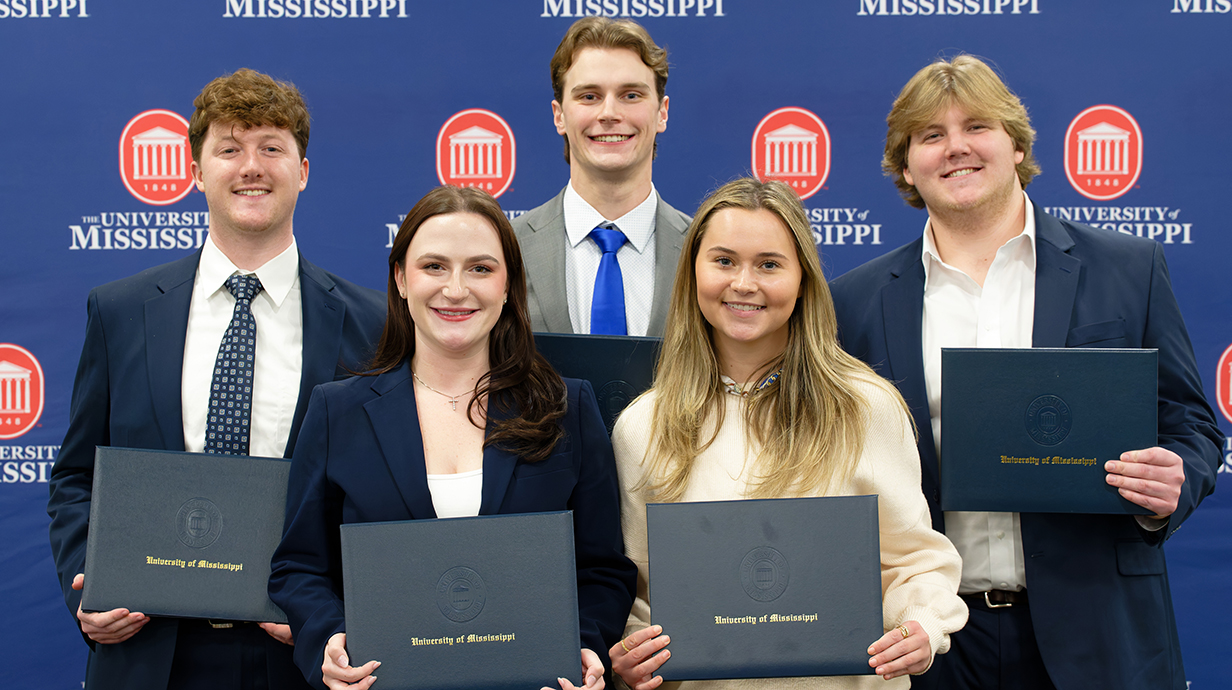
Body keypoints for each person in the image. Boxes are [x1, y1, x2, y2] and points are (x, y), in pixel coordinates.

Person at [828, 56, 1224, 690]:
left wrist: (1175, 480)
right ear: (906, 166)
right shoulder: (853, 301)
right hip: (931, 642)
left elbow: (1192, 424)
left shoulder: (1129, 268)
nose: (956, 147)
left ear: (1016, 144)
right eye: (930, 135)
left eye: (977, 126)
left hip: (1099, 631)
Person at [46, 69, 386, 690]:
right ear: (197, 171)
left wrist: (341, 609)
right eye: (229, 149)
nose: (251, 166)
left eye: (272, 148)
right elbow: (75, 476)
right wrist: (89, 585)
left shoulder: (374, 324)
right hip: (151, 654)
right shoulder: (121, 312)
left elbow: (391, 495)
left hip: (306, 658)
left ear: (303, 171)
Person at [268, 185, 638, 690]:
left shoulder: (566, 408)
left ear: (509, 285)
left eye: (481, 269)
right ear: (401, 278)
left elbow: (603, 570)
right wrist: (327, 640)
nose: (457, 289)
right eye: (434, 267)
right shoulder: (338, 411)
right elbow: (299, 567)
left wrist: (588, 646)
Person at [609, 178, 966, 690]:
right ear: (691, 275)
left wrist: (921, 628)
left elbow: (915, 559)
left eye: (769, 264)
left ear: (803, 282)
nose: (744, 283)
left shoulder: (865, 407)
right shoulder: (643, 427)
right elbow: (639, 588)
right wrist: (630, 652)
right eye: (724, 261)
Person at [513, 16, 690, 337]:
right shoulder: (506, 246)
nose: (609, 113)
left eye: (631, 95)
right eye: (589, 96)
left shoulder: (704, 248)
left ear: (662, 112)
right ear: (559, 115)